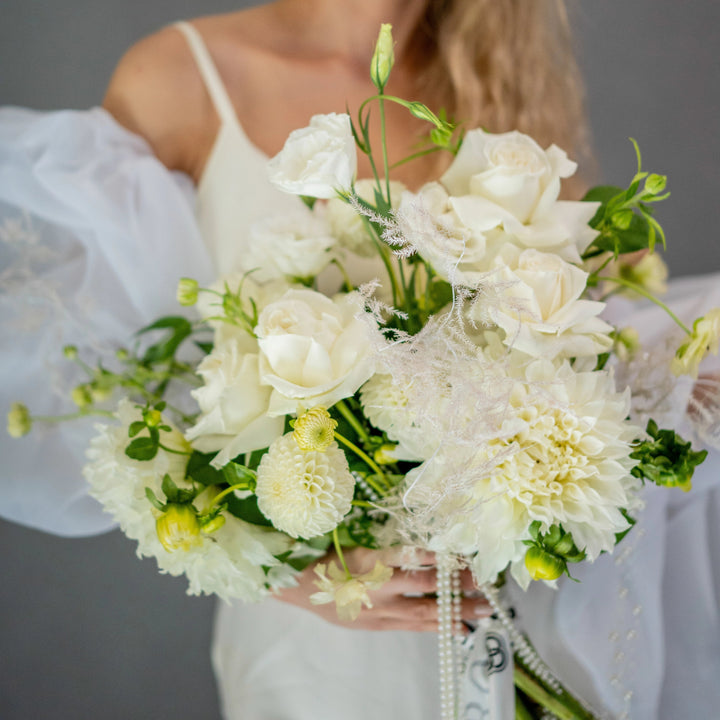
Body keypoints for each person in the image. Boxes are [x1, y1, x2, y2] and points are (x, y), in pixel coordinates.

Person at [1, 1, 718, 718]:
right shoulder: (180, 75)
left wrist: (661, 383)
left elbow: (597, 316)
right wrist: (291, 574)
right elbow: (109, 403)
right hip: (323, 642)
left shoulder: (498, 80)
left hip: (507, 609)